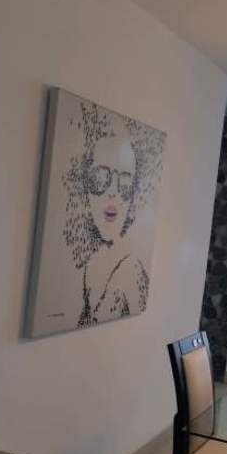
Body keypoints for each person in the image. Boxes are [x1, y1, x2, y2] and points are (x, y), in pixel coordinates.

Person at [61, 101, 163, 326]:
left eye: (124, 184)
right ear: (85, 185)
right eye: (100, 178)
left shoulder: (131, 271)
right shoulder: (91, 265)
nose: (113, 194)